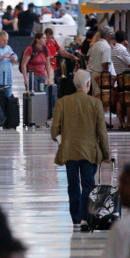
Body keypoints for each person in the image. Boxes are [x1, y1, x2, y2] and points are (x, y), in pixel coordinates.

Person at [51, 70, 110, 231]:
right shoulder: (95, 103)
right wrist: (106, 154)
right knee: (88, 185)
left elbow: (54, 131)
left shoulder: (63, 102)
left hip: (69, 151)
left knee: (73, 185)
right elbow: (102, 133)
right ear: (88, 84)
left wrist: (64, 141)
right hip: (90, 152)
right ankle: (85, 217)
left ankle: (75, 218)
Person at [88, 26, 114, 101]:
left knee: (95, 96)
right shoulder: (106, 47)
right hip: (101, 75)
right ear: (109, 34)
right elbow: (104, 64)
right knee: (103, 98)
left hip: (94, 73)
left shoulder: (95, 45)